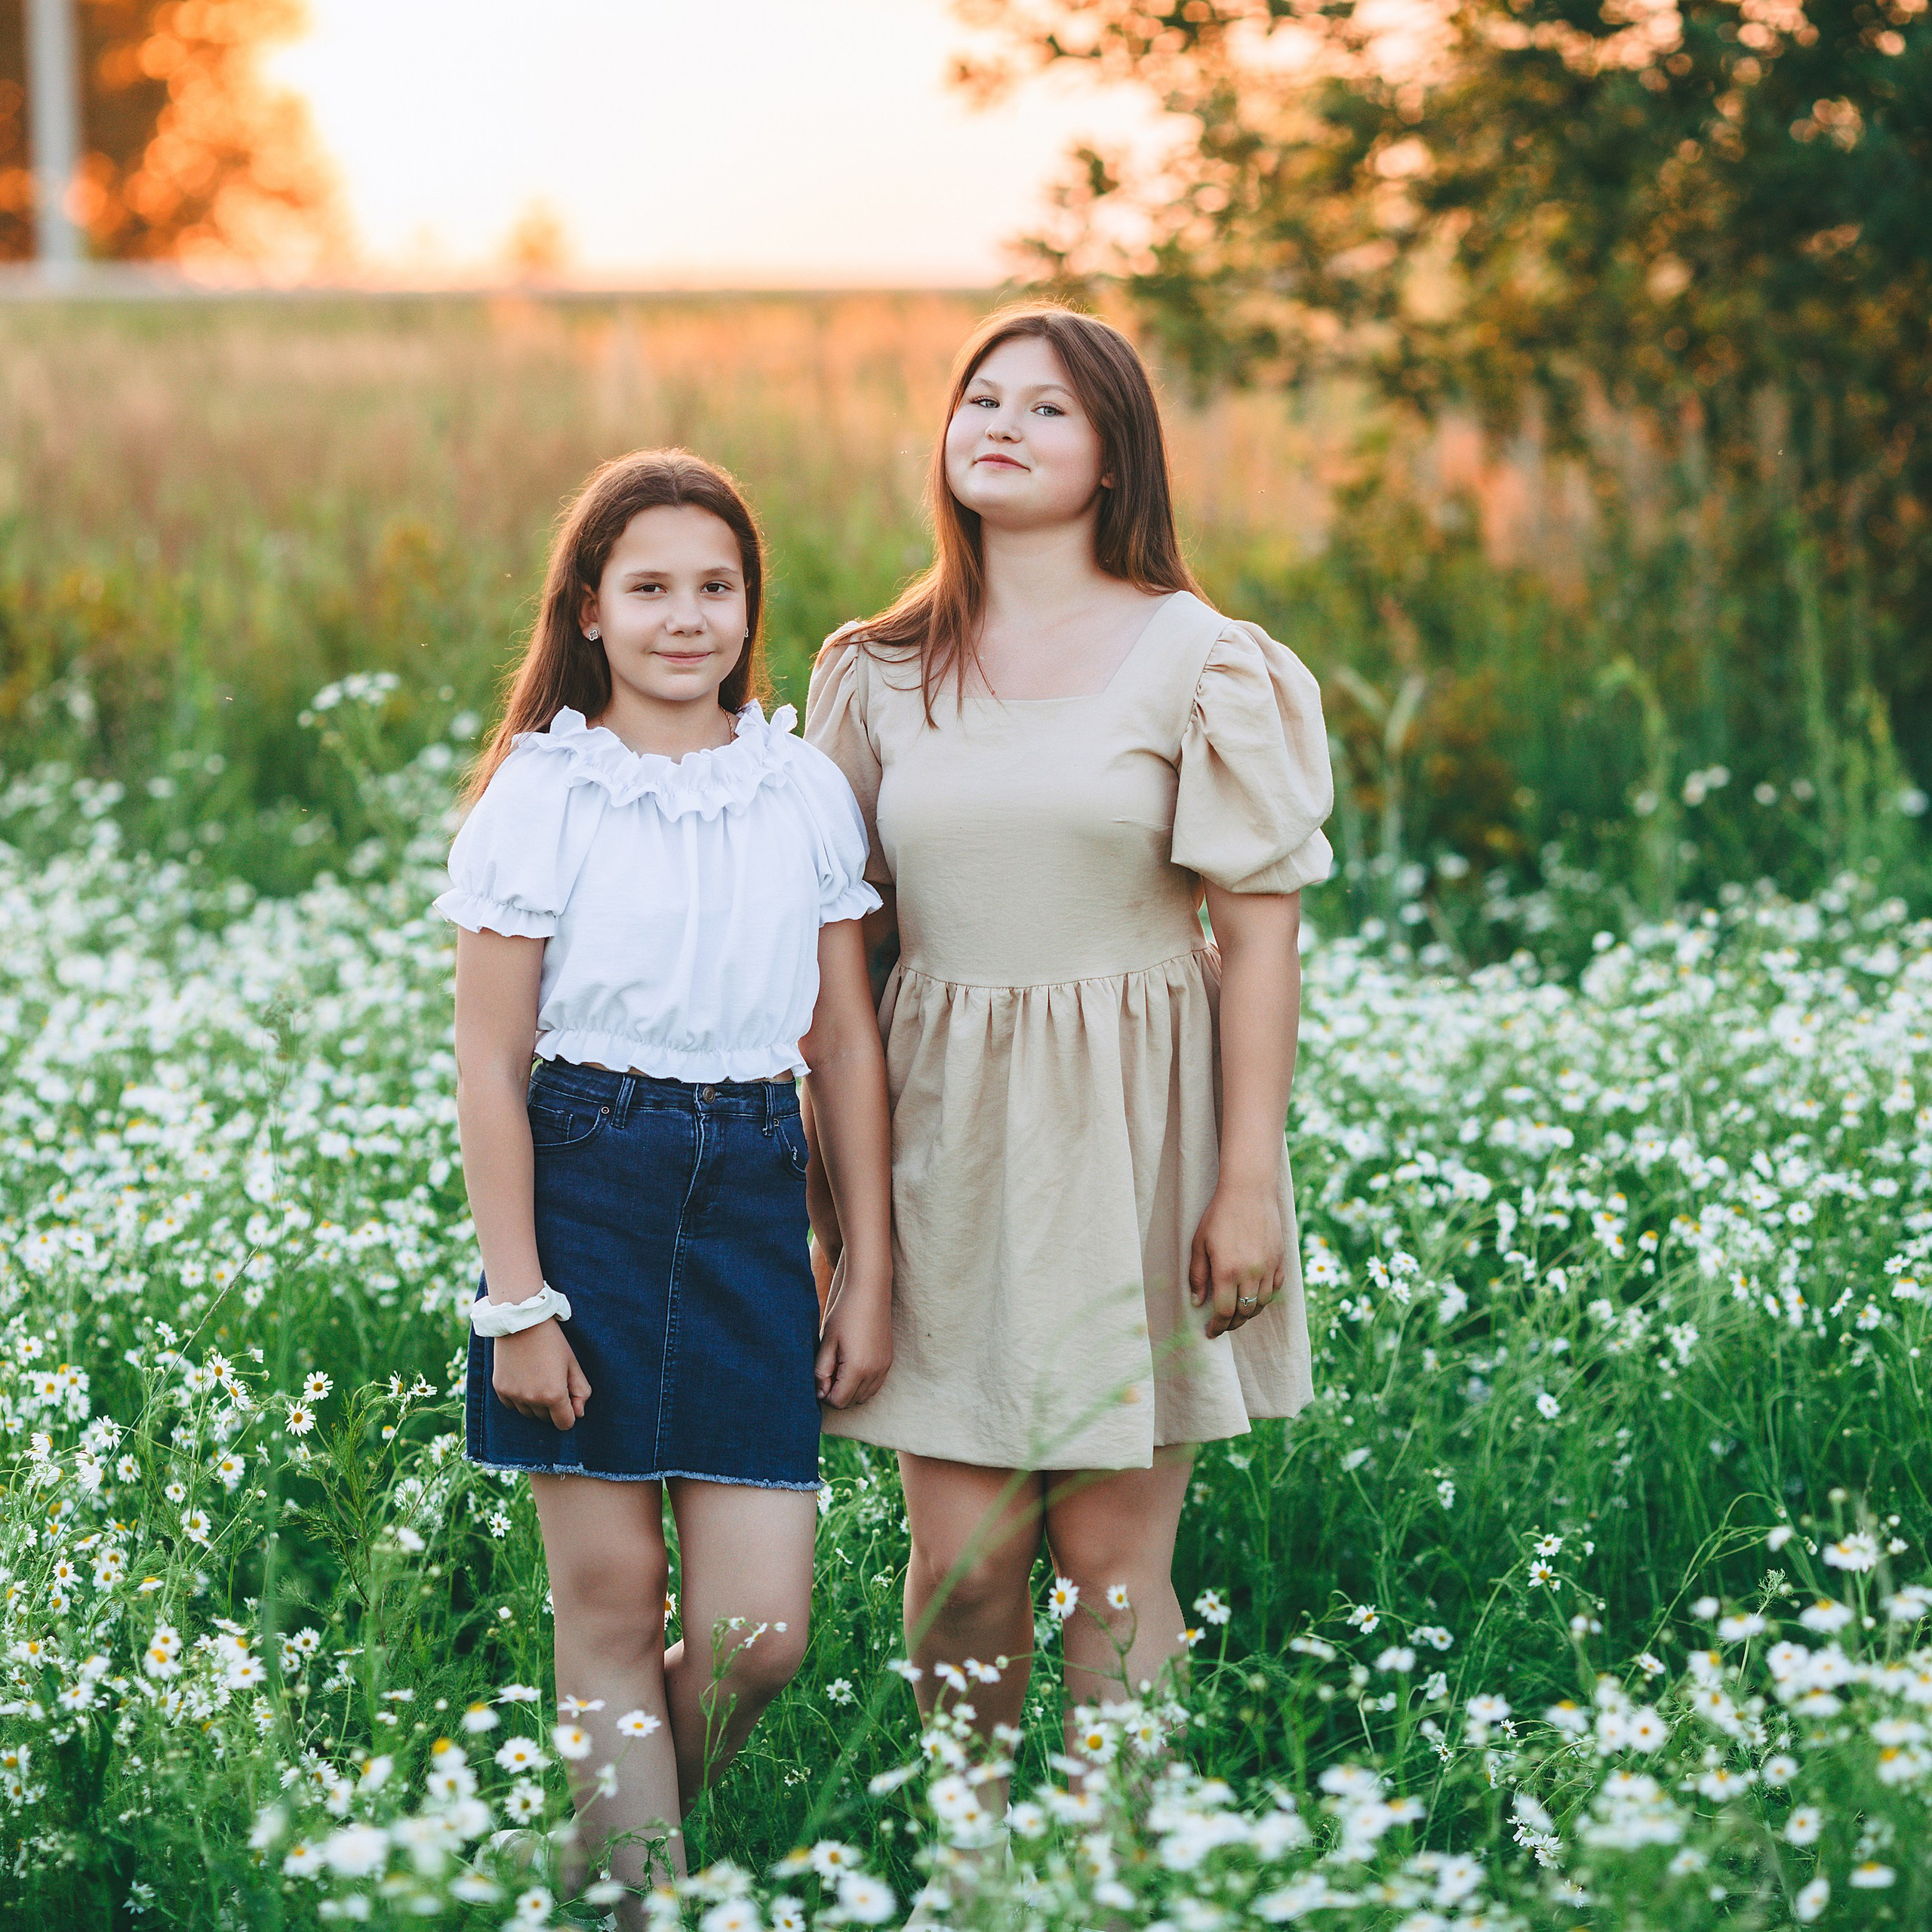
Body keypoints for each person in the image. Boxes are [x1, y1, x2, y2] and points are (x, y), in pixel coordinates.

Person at [803, 304, 1332, 1851]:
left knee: (1111, 1547)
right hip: (940, 1135)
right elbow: (835, 948)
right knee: (963, 1553)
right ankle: (973, 1858)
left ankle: (1099, 1867)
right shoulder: (876, 669)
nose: (1002, 425)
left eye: (1045, 407)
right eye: (980, 399)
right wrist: (833, 1206)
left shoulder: (1201, 658)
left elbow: (1257, 940)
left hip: (1137, 1131)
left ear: (1112, 457)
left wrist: (1245, 1180)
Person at [440, 449, 894, 1918]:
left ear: (750, 604)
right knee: (615, 1603)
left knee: (761, 1629)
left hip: (758, 1195)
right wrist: (519, 1297)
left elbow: (842, 1043)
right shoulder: (545, 790)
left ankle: (586, 1853)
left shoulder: (799, 788)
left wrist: (864, 1261)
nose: (685, 615)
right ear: (588, 606)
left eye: (715, 585)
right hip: (586, 1188)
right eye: (648, 585)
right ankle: (640, 1894)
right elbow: (491, 1057)